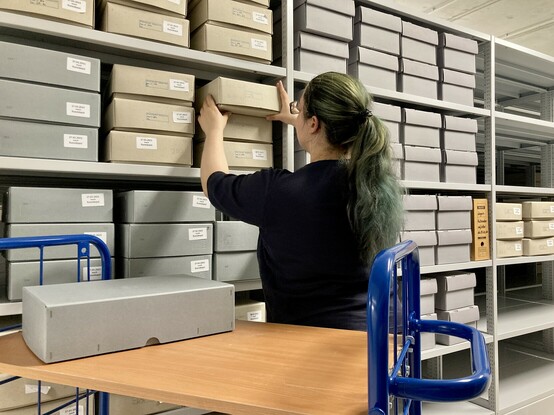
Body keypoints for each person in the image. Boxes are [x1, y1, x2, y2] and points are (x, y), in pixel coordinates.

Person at [198, 72, 404, 331]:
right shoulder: (374, 185)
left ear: (314, 123)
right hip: (388, 337)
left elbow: (213, 183)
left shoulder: (278, 190)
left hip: (320, 342)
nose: (295, 113)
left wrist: (213, 131)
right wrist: (298, 121)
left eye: (299, 109)